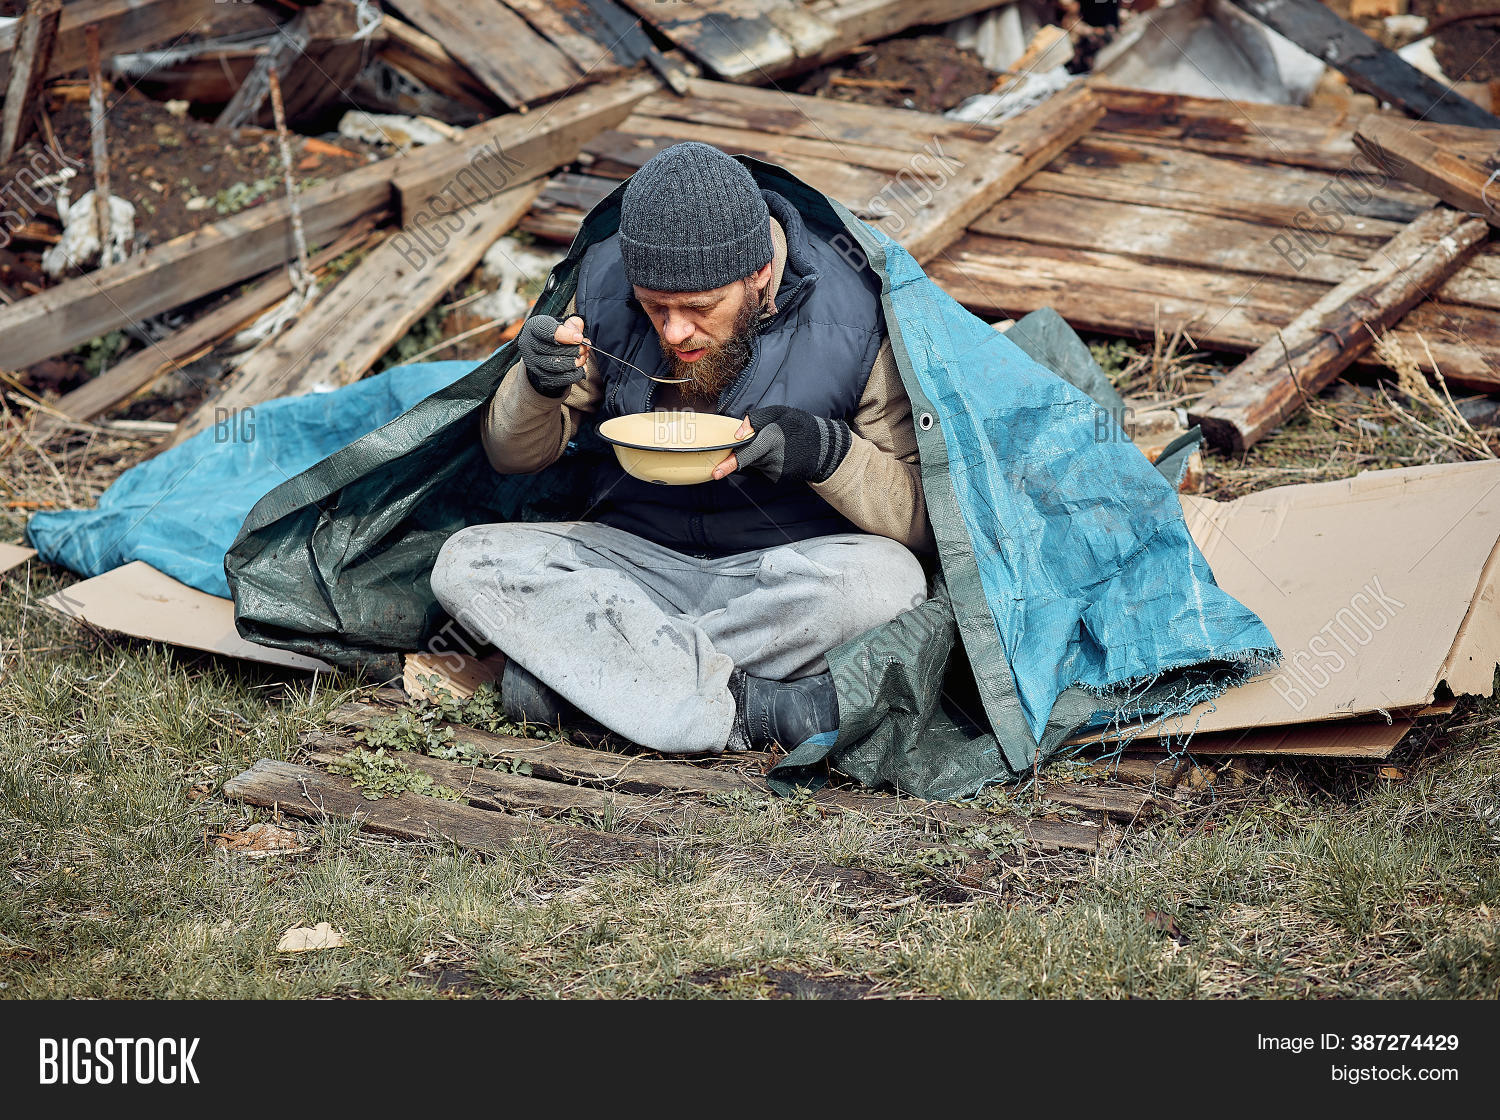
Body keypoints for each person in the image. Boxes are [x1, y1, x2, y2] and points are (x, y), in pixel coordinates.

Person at [429, 141, 933, 755]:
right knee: (465, 563)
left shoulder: (857, 311)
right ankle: (753, 712)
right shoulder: (603, 283)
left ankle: (595, 685)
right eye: (654, 307)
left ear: (760, 275)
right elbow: (512, 457)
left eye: (698, 308)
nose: (673, 331)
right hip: (630, 568)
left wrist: (827, 453)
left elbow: (923, 522)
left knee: (889, 587)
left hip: (781, 575)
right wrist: (536, 384)